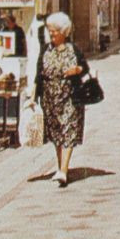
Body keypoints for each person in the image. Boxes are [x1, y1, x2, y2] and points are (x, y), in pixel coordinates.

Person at [34, 11, 90, 186]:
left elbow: (85, 68)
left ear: (63, 32)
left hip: (70, 98)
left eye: (54, 31)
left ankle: (64, 171)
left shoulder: (74, 49)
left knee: (68, 131)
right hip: (50, 99)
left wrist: (77, 70)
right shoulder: (45, 50)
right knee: (57, 133)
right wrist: (33, 97)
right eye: (49, 31)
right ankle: (60, 168)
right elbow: (39, 75)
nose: (51, 34)